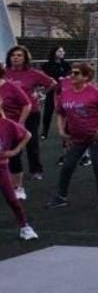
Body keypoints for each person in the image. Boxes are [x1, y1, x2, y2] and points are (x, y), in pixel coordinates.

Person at [47, 62, 98, 209]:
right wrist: (61, 131)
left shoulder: (95, 92)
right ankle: (61, 197)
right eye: (72, 72)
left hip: (95, 136)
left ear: (86, 76)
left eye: (76, 73)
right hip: (76, 137)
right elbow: (61, 113)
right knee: (67, 166)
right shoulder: (66, 92)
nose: (72, 75)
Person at [3, 46, 54, 189]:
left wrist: (40, 94)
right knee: (9, 143)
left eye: (19, 55)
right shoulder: (5, 73)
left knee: (31, 142)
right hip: (9, 114)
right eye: (13, 55)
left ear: (25, 58)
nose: (16, 58)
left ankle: (36, 170)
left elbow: (52, 83)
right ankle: (12, 170)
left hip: (31, 113)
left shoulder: (33, 73)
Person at [0, 113, 38, 240]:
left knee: (12, 199)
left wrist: (15, 151)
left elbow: (27, 135)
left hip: (1, 166)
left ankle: (24, 227)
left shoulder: (7, 124)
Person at [0, 66, 32, 201]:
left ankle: (18, 187)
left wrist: (20, 123)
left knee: (13, 158)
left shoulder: (10, 86)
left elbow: (27, 104)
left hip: (9, 127)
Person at [40, 47, 70, 141]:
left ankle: (67, 130)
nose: (62, 52)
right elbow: (45, 77)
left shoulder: (65, 64)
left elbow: (69, 74)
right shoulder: (47, 65)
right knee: (48, 112)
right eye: (59, 51)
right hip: (52, 91)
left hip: (63, 92)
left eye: (62, 51)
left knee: (66, 112)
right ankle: (44, 132)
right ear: (54, 52)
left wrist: (64, 78)